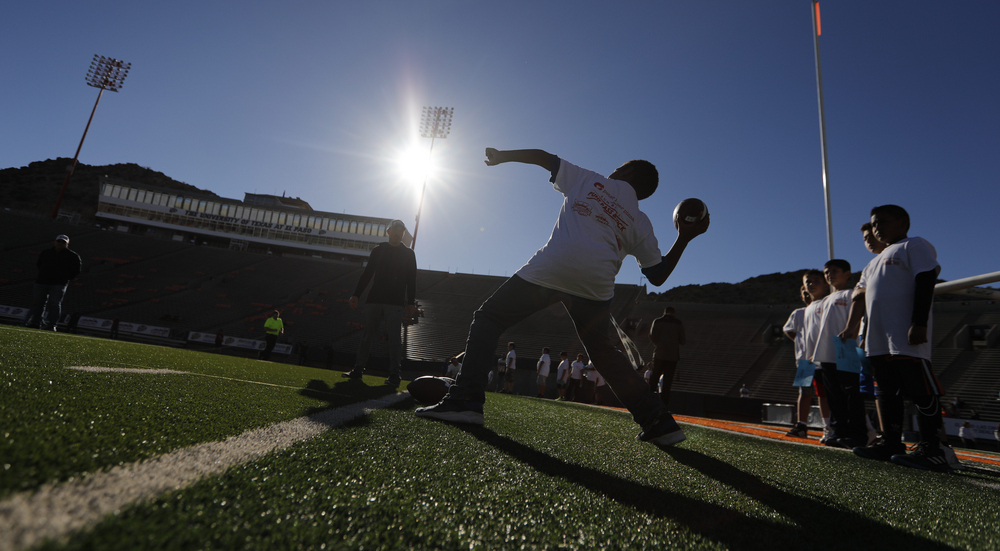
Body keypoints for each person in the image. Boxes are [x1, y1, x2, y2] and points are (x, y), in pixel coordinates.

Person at [416, 147, 709, 447]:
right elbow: (657, 275)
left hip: (554, 267)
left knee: (489, 318)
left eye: (619, 167)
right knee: (604, 354)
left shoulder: (589, 180)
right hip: (596, 284)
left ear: (628, 172)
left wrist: (503, 156)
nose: (613, 170)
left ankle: (465, 401)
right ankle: (658, 421)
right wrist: (684, 237)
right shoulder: (640, 220)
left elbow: (545, 158)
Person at [848, 205, 949, 471]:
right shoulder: (872, 263)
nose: (877, 227)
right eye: (874, 223)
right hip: (878, 339)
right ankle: (890, 441)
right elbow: (866, 298)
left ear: (904, 222)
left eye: (883, 221)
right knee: (885, 392)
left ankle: (932, 448)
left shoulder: (913, 245)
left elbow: (926, 280)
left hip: (904, 334)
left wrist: (919, 322)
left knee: (920, 389)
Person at [344, 219, 418, 387]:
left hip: (395, 302)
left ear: (404, 234)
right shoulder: (379, 250)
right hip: (374, 299)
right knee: (367, 336)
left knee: (394, 339)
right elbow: (367, 273)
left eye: (401, 231)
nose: (398, 233)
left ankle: (394, 374)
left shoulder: (409, 254)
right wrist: (356, 294)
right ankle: (358, 369)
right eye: (395, 230)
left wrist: (411, 302)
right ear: (388, 231)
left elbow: (411, 280)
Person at [813, 259, 868, 448]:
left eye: (835, 271)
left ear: (847, 273)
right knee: (833, 395)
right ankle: (838, 431)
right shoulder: (826, 299)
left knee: (851, 393)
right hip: (827, 351)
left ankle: (858, 433)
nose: (830, 275)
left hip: (846, 348)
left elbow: (860, 320)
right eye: (827, 272)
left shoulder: (853, 294)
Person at [24, 234, 81, 331]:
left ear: (67, 244)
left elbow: (76, 270)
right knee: (39, 303)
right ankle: (35, 323)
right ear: (55, 242)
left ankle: (52, 325)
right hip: (42, 281)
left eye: (63, 242)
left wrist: (65, 279)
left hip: (58, 283)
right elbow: (39, 264)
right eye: (59, 241)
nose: (60, 243)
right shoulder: (46, 252)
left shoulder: (73, 256)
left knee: (54, 304)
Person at [783, 286, 814, 438]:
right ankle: (801, 423)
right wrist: (798, 341)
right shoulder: (799, 313)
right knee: (805, 392)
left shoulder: (825, 308)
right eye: (805, 294)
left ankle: (830, 425)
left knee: (825, 394)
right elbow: (788, 329)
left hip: (823, 358)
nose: (808, 296)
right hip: (805, 361)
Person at [647, 306, 685, 407]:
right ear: (674, 313)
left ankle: (649, 401)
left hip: (659, 354)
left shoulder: (657, 321)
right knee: (667, 383)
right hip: (672, 357)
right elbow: (683, 341)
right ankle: (664, 405)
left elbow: (651, 335)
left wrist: (658, 344)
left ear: (664, 312)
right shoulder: (678, 323)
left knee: (654, 379)